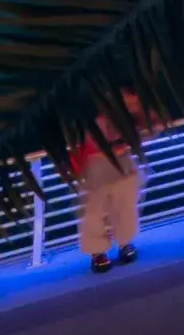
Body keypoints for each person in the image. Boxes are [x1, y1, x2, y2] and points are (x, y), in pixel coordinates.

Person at [61, 95, 151, 274]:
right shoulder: (82, 111)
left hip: (118, 159)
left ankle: (123, 242)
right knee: (93, 211)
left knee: (124, 205)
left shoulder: (116, 107)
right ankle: (98, 252)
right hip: (92, 162)